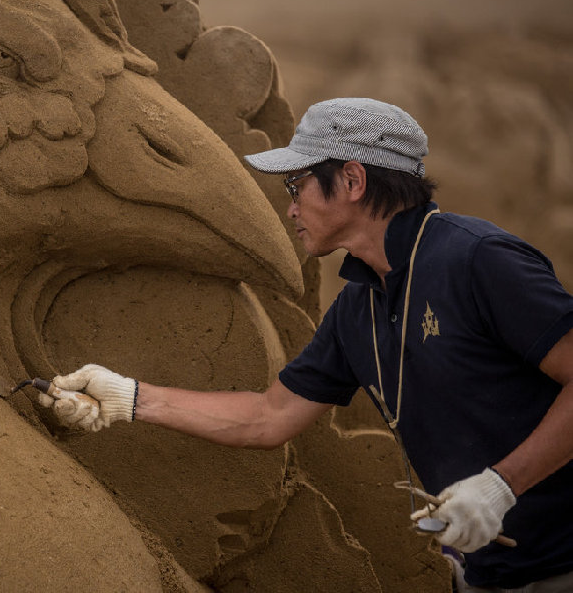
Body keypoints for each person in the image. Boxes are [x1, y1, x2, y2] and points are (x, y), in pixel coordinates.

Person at [38, 98, 573, 592]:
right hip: (485, 577)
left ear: (353, 179)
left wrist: (502, 486)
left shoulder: (479, 260)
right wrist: (128, 398)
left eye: (297, 186)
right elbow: (268, 417)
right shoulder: (356, 307)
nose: (290, 208)